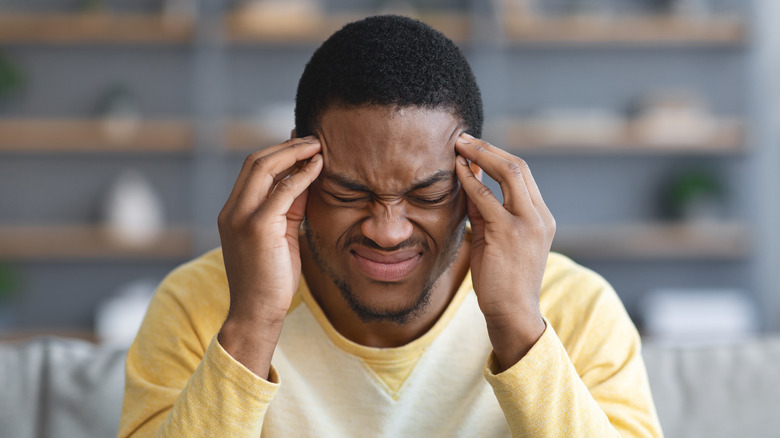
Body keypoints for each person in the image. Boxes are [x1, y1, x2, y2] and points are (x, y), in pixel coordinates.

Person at [118, 15, 662, 437]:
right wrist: (254, 323)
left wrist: (518, 325)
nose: (388, 230)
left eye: (426, 194)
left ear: (474, 178)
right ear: (297, 173)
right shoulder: (198, 304)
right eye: (348, 192)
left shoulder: (574, 307)